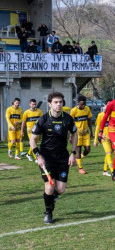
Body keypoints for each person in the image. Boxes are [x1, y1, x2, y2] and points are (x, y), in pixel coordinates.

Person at [30, 92, 77, 224]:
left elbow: (75, 134)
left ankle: (51, 199)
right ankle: (48, 212)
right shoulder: (43, 119)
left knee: (60, 189)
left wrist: (73, 153)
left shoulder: (68, 119)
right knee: (50, 187)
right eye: (56, 102)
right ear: (50, 104)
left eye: (61, 102)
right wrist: (38, 156)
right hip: (47, 158)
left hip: (62, 157)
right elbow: (33, 139)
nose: (59, 104)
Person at [70, 95, 94, 174]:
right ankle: (80, 168)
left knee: (88, 150)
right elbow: (70, 124)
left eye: (84, 104)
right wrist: (71, 136)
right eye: (81, 104)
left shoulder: (87, 109)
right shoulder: (73, 111)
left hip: (86, 133)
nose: (83, 105)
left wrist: (91, 132)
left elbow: (89, 121)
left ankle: (78, 159)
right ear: (78, 103)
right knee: (78, 150)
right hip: (77, 134)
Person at [94, 106, 113, 176]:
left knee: (108, 154)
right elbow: (97, 127)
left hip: (113, 138)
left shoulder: (113, 115)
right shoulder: (100, 115)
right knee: (108, 153)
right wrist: (95, 140)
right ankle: (113, 171)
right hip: (104, 138)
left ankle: (105, 171)